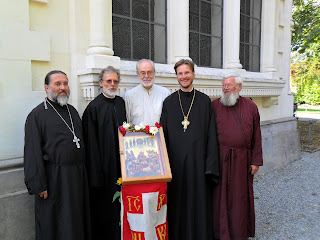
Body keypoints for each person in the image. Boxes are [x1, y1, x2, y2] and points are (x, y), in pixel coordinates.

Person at [24, 70, 91, 240]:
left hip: (76, 177)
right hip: (54, 179)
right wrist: (38, 184)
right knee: (56, 223)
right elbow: (32, 152)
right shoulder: (37, 115)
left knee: (76, 220)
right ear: (47, 88)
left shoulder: (73, 111)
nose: (63, 88)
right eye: (58, 84)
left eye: (65, 84)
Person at [160, 59, 219, 240]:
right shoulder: (169, 102)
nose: (183, 77)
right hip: (175, 166)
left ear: (193, 74)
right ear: (176, 76)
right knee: (177, 204)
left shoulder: (204, 101)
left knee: (198, 204)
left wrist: (210, 167)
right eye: (180, 73)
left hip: (198, 165)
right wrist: (164, 166)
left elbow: (211, 136)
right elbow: (163, 136)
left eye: (186, 73)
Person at [211, 73, 263, 240]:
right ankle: (221, 232)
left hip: (242, 160)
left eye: (230, 85)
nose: (226, 88)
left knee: (239, 198)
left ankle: (239, 232)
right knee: (220, 197)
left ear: (239, 87)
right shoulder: (214, 106)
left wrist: (255, 161)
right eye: (224, 85)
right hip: (220, 159)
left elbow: (257, 136)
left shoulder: (251, 107)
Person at [82, 66, 126, 240]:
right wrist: (96, 177)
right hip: (103, 172)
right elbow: (90, 146)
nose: (112, 84)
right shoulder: (93, 108)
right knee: (105, 213)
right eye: (109, 81)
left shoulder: (121, 103)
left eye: (115, 81)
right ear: (101, 83)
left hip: (121, 167)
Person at [124, 59, 170, 125]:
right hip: (137, 135)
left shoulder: (165, 93)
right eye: (143, 73)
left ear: (154, 73)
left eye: (149, 72)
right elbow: (127, 121)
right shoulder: (129, 95)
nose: (146, 76)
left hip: (159, 135)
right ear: (138, 74)